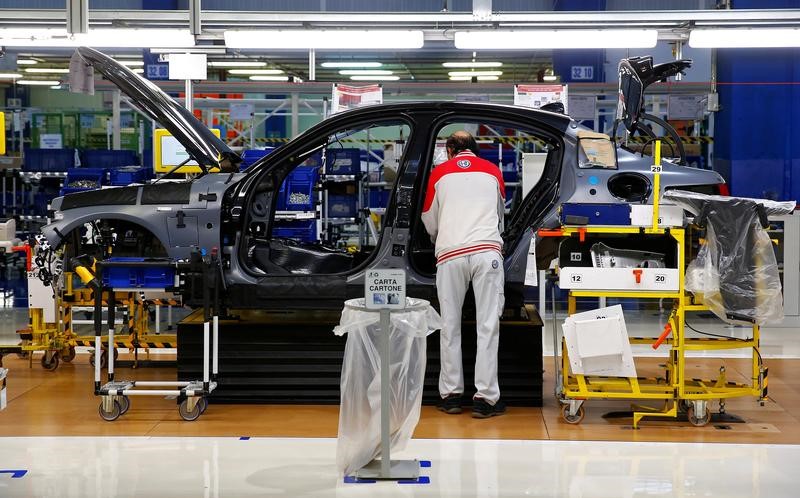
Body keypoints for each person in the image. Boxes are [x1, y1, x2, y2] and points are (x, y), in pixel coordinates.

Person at [421, 130, 506, 419]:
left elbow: (429, 220)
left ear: (449, 151)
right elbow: (499, 215)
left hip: (450, 254)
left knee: (449, 326)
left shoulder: (438, 174)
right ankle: (485, 399)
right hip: (487, 253)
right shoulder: (493, 171)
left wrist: (441, 235)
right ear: (475, 149)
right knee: (487, 326)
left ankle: (451, 396)